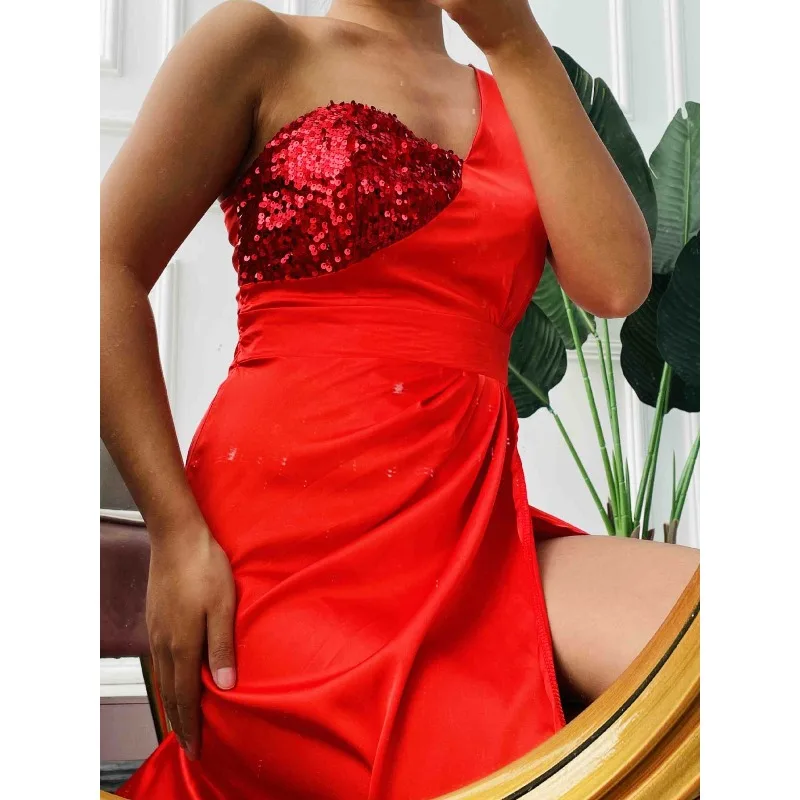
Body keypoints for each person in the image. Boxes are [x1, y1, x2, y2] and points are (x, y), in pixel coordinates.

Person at [101, 1, 700, 797]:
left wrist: (514, 40)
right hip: (286, 552)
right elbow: (102, 270)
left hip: (471, 533)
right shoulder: (258, 44)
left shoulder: (519, 91)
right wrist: (174, 532)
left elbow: (616, 284)